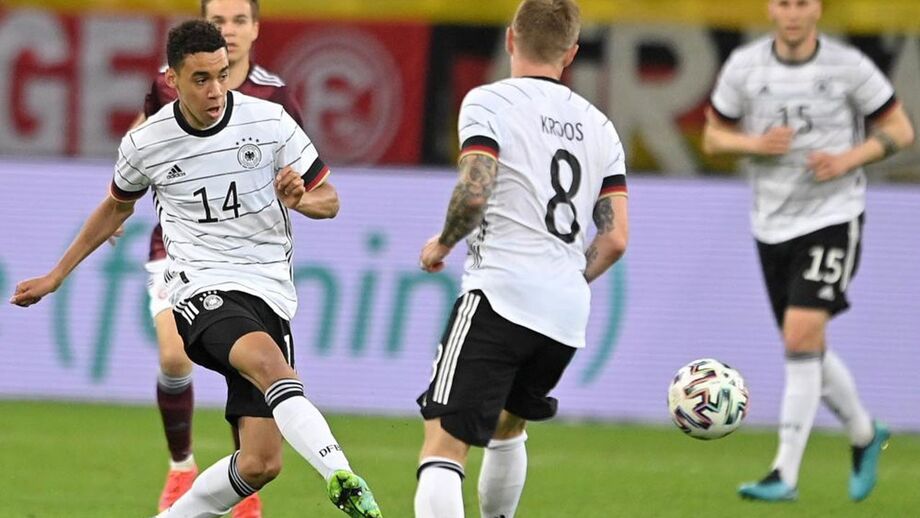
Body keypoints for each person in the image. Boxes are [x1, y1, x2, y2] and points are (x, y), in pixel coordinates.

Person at [11, 20, 382, 518]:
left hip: (269, 291)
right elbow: (116, 206)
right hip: (199, 287)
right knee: (270, 365)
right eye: (201, 79)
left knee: (260, 463)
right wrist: (56, 275)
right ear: (173, 79)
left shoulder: (269, 121)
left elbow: (329, 200)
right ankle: (342, 476)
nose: (215, 90)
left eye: (222, 75)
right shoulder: (147, 143)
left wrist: (301, 200)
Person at [413, 1, 629, 516]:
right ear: (571, 53)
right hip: (565, 315)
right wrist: (563, 277)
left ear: (511, 38)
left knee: (443, 442)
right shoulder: (600, 127)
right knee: (509, 428)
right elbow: (616, 238)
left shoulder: (490, 101)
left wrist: (444, 243)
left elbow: (474, 192)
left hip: (500, 295)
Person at [703, 0, 914, 503]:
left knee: (800, 333)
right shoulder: (745, 66)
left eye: (802, 2)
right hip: (771, 223)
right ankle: (864, 432)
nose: (793, 13)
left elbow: (901, 129)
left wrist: (849, 158)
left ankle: (784, 473)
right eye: (784, 3)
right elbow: (713, 138)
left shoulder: (848, 66)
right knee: (805, 344)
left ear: (817, 8)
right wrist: (755, 145)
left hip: (833, 216)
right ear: (770, 9)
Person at [132, 1, 304, 515]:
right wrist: (118, 205)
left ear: (256, 29)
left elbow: (303, 175)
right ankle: (180, 466)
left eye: (238, 20)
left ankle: (243, 482)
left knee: (247, 368)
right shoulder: (170, 81)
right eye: (219, 21)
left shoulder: (274, 98)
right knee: (172, 357)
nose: (228, 30)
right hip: (179, 249)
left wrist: (295, 194)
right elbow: (143, 138)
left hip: (248, 260)